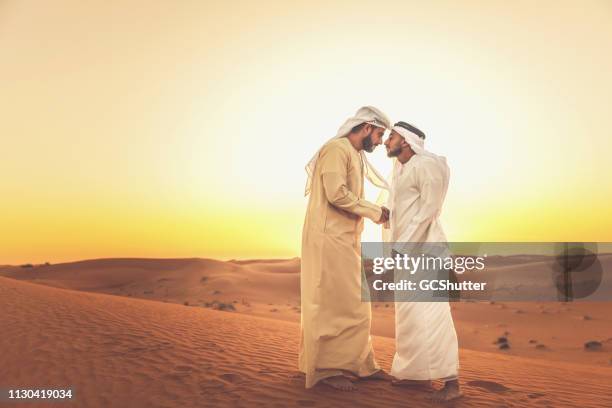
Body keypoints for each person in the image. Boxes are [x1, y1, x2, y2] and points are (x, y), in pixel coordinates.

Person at [299, 106, 392, 391]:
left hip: (346, 237)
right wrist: (376, 212)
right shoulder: (336, 149)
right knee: (330, 304)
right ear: (366, 127)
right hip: (328, 238)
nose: (379, 141)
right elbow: (336, 193)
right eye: (378, 134)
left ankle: (360, 365)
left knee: (354, 303)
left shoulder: (354, 154)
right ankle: (325, 369)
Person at [383, 121, 462, 402]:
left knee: (433, 315)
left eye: (390, 136)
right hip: (404, 254)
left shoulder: (427, 165)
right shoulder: (401, 168)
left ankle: (452, 382)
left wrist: (403, 246)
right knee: (409, 317)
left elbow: (429, 209)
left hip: (425, 251)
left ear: (405, 140)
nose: (385, 141)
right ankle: (413, 374)